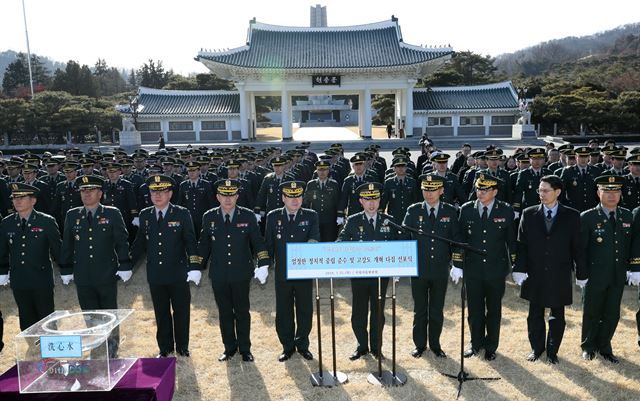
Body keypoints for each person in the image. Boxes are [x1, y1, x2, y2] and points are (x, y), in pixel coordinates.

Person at [512, 175, 586, 364]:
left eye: (546, 190)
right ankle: (537, 349)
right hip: (534, 272)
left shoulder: (572, 215)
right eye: (540, 190)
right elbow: (521, 244)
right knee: (535, 313)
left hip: (559, 272)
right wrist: (519, 269)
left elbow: (578, 247)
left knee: (557, 314)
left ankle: (552, 351)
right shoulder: (528, 214)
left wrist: (581, 273)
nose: (541, 194)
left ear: (557, 192)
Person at [198, 179, 270, 362]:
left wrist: (263, 262)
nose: (228, 199)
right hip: (219, 273)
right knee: (224, 312)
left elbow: (258, 241)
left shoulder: (247, 216)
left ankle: (245, 348)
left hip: (241, 272)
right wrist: (196, 266)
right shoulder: (209, 216)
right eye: (224, 195)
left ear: (237, 196)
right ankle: (229, 348)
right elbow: (204, 244)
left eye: (231, 195)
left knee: (242, 311)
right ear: (217, 197)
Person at [131, 174, 202, 358]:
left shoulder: (181, 213)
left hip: (178, 273)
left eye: (162, 191)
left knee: (181, 311)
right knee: (161, 312)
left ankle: (182, 347)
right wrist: (126, 264)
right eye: (154, 191)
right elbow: (139, 244)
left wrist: (194, 266)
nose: (157, 195)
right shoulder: (145, 215)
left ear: (170, 194)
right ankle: (165, 348)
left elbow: (190, 242)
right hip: (156, 274)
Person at [337, 182, 405, 360]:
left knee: (378, 311)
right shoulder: (353, 220)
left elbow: (399, 244)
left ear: (380, 200)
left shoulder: (388, 220)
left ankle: (376, 347)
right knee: (358, 311)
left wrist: (398, 265)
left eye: (375, 198)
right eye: (367, 199)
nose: (372, 203)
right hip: (359, 275)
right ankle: (361, 346)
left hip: (380, 276)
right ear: (361, 201)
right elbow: (340, 243)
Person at [456, 174, 516, 361]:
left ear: (495, 192)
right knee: (474, 310)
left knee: (494, 310)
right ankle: (475, 344)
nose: (480, 193)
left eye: (485, 190)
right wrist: (458, 264)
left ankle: (491, 346)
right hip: (472, 269)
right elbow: (460, 239)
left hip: (496, 269)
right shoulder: (467, 210)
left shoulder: (505, 210)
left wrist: (516, 265)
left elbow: (512, 241)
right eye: (478, 189)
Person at [402, 175, 461, 358]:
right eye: (426, 189)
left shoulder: (450, 211)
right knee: (420, 309)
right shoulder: (413, 210)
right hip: (419, 269)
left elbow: (457, 240)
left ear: (441, 191)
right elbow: (404, 239)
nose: (429, 193)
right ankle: (419, 345)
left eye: (433, 189)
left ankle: (435, 344)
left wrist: (457, 264)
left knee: (436, 309)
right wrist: (401, 265)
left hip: (440, 270)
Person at [580, 175, 633, 363]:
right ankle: (588, 346)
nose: (612, 195)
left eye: (616, 191)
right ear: (598, 193)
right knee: (592, 312)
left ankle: (605, 346)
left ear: (620, 194)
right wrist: (581, 273)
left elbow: (632, 244)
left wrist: (633, 267)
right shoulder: (587, 217)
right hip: (595, 275)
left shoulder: (627, 215)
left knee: (612, 313)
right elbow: (581, 249)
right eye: (607, 191)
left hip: (618, 274)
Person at [265, 181, 320, 362]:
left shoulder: (311, 216)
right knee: (284, 310)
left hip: (303, 273)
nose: (295, 200)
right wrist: (264, 264)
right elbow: (269, 244)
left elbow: (314, 239)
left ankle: (303, 345)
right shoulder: (273, 217)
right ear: (283, 198)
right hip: (282, 273)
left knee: (305, 310)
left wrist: (307, 253)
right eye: (291, 196)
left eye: (298, 196)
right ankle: (287, 347)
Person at [60, 175, 131, 310]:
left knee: (110, 315)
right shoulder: (72, 214)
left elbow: (121, 242)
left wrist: (125, 264)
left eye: (91, 190)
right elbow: (67, 245)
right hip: (82, 274)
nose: (86, 194)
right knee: (89, 316)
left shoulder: (112, 213)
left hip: (106, 273)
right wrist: (66, 269)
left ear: (100, 194)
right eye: (83, 191)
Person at [0, 183, 62, 331]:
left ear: (33, 200)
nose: (17, 201)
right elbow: (2, 250)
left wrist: (67, 269)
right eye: (14, 198)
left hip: (41, 278)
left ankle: (49, 351)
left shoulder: (46, 221)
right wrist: (2, 271)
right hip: (19, 279)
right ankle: (32, 350)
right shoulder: (7, 223)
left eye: (22, 197)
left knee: (46, 318)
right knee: (26, 318)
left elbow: (57, 249)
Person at [303, 160, 341, 242]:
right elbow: (306, 202)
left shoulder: (333, 184)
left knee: (329, 241)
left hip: (330, 219)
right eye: (320, 170)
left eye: (325, 170)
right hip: (315, 219)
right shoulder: (311, 184)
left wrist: (340, 215)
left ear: (328, 171)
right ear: (316, 171)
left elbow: (338, 201)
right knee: (316, 241)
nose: (322, 172)